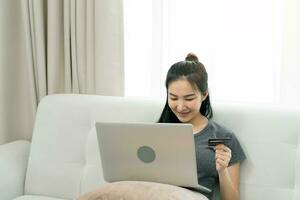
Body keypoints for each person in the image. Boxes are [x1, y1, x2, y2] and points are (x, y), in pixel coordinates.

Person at [158, 53, 246, 200]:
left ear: (204, 94)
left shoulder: (223, 137)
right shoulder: (156, 132)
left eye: (189, 98)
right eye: (173, 97)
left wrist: (222, 170)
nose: (180, 107)